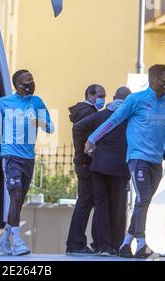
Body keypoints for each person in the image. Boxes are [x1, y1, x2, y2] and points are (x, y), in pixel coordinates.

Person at [85, 65, 165, 259]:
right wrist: (92, 139)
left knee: (142, 203)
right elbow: (114, 120)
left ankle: (126, 244)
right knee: (143, 199)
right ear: (154, 81)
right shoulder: (136, 99)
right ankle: (142, 243)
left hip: (156, 161)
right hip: (138, 158)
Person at [0, 70, 54, 256]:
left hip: (28, 157)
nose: (32, 82)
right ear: (18, 84)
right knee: (15, 194)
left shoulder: (36, 102)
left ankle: (4, 241)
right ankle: (17, 241)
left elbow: (51, 127)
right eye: (28, 80)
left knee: (18, 201)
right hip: (10, 155)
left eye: (32, 78)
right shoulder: (4, 103)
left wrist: (40, 122)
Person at [73, 87, 131, 256]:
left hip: (98, 166)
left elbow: (77, 128)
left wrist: (84, 152)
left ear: (113, 98)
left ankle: (103, 246)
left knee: (101, 206)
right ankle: (116, 245)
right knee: (118, 207)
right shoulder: (130, 117)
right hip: (120, 167)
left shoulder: (100, 115)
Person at [66, 84, 106, 255]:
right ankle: (77, 243)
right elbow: (85, 135)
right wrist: (91, 151)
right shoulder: (88, 113)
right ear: (90, 95)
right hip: (86, 163)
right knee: (85, 203)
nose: (103, 99)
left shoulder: (83, 111)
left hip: (82, 162)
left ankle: (74, 242)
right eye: (100, 95)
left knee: (84, 203)